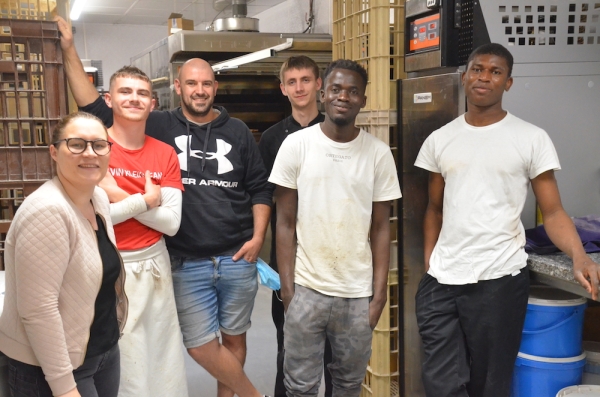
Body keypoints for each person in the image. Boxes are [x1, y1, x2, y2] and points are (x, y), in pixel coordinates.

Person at [57, 17, 272, 397]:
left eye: (206, 83)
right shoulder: (157, 124)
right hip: (184, 260)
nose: (200, 90)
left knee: (234, 340)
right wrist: (69, 48)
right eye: (191, 83)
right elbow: (89, 100)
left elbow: (257, 188)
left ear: (215, 87)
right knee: (198, 344)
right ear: (177, 88)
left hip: (236, 256)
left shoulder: (237, 130)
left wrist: (257, 239)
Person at [414, 43, 600, 397]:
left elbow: (555, 211)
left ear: (508, 83)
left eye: (495, 72)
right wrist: (430, 262)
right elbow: (434, 209)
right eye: (478, 69)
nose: (484, 77)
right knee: (440, 383)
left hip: (498, 280)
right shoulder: (441, 139)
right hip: (442, 280)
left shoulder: (530, 138)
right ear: (466, 76)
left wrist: (580, 255)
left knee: (491, 384)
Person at [270, 59, 402, 397]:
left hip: (357, 295)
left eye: (353, 91)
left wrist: (379, 293)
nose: (344, 96)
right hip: (306, 289)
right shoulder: (296, 145)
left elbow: (381, 228)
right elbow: (284, 223)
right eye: (337, 89)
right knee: (299, 386)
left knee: (347, 386)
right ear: (323, 93)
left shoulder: (378, 153)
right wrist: (288, 291)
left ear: (363, 99)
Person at [0, 112, 128, 397]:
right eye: (76, 144)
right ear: (54, 152)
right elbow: (38, 310)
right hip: (52, 368)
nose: (90, 154)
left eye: (98, 144)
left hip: (100, 351)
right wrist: (64, 387)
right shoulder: (47, 211)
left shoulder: (98, 199)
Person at [258, 55, 333, 397]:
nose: (299, 87)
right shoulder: (273, 139)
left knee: (334, 352)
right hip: (287, 258)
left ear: (319, 85)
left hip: (333, 257)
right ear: (283, 89)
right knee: (287, 346)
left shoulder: (338, 131)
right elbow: (262, 194)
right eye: (292, 82)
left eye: (306, 80)